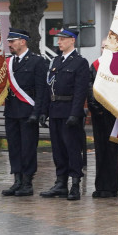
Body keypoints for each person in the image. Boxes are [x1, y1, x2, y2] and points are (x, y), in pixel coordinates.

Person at [40, 27, 90, 201]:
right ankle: (61, 183)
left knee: (72, 149)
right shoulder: (55, 61)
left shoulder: (80, 62)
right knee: (58, 149)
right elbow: (49, 87)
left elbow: (80, 91)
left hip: (70, 110)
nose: (59, 42)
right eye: (58, 39)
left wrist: (75, 114)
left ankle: (75, 184)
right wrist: (44, 111)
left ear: (72, 40)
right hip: (55, 110)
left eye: (62, 39)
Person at [2, 28, 48, 197]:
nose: (10, 44)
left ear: (23, 41)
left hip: (28, 111)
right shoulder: (9, 62)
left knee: (28, 148)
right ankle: (17, 180)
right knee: (14, 148)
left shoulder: (37, 61)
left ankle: (27, 182)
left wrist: (38, 112)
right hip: (11, 111)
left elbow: (41, 89)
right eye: (9, 41)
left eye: (12, 41)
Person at [88, 47, 118, 199]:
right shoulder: (95, 65)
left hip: (113, 114)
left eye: (106, 47)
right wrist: (96, 107)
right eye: (102, 47)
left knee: (112, 150)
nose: (103, 49)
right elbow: (90, 88)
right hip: (98, 114)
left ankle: (112, 186)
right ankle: (100, 186)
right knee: (100, 150)